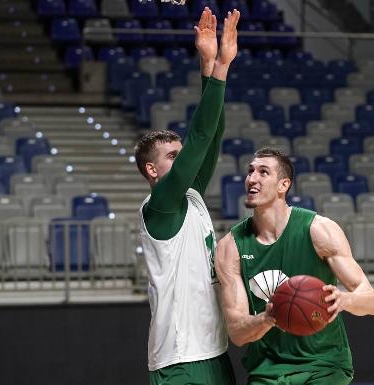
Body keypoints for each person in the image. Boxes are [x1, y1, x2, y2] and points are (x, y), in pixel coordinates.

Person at [133, 8, 240, 385]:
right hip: (179, 359)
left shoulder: (192, 198)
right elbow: (197, 139)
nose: (184, 162)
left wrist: (209, 65)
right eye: (172, 157)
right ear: (152, 170)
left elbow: (209, 138)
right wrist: (222, 67)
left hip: (214, 350)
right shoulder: (159, 206)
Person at [215, 148, 374, 385]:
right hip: (268, 370)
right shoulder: (230, 247)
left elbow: (371, 302)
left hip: (324, 365)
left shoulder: (319, 230)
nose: (252, 178)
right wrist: (267, 318)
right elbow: (238, 334)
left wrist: (343, 301)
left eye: (263, 172)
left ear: (283, 185)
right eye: (250, 171)